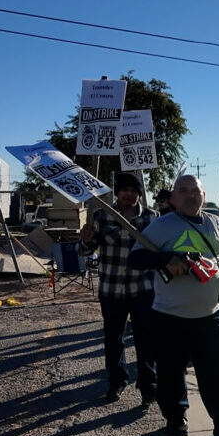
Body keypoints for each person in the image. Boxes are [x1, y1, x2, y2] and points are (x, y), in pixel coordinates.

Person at [128, 175, 219, 436]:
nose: (190, 195)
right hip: (170, 315)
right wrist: (166, 260)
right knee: (172, 372)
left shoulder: (217, 223)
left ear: (204, 195)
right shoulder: (162, 226)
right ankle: (176, 419)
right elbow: (136, 258)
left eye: (195, 190)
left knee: (218, 370)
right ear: (173, 198)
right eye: (183, 190)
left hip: (210, 314)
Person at [79, 172, 160, 404]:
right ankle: (116, 380)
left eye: (134, 191)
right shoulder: (101, 215)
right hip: (112, 289)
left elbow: (160, 250)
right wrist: (85, 240)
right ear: (118, 192)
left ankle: (148, 384)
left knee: (146, 338)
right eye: (125, 190)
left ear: (139, 194)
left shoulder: (152, 218)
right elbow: (85, 251)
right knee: (113, 337)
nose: (129, 194)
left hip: (143, 288)